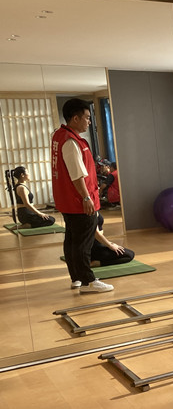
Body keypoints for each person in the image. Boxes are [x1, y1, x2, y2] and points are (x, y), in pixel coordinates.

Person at [51, 98, 114, 293]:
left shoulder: (60, 135)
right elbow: (76, 174)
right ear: (75, 118)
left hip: (67, 200)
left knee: (72, 240)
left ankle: (77, 277)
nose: (89, 121)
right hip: (78, 200)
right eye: (86, 117)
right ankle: (88, 281)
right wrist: (86, 198)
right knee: (82, 243)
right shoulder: (70, 142)